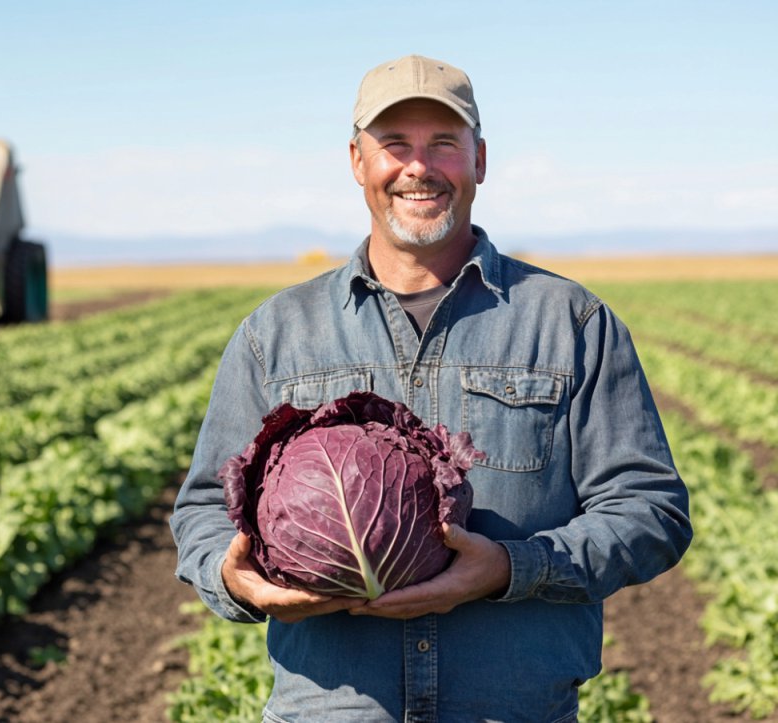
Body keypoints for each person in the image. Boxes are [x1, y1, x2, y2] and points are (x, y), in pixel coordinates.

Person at [170, 54, 692, 722]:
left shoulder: (569, 322)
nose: (418, 167)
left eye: (444, 143)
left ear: (479, 158)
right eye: (395, 145)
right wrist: (236, 579)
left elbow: (650, 511)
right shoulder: (276, 334)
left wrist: (511, 567)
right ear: (358, 160)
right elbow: (204, 511)